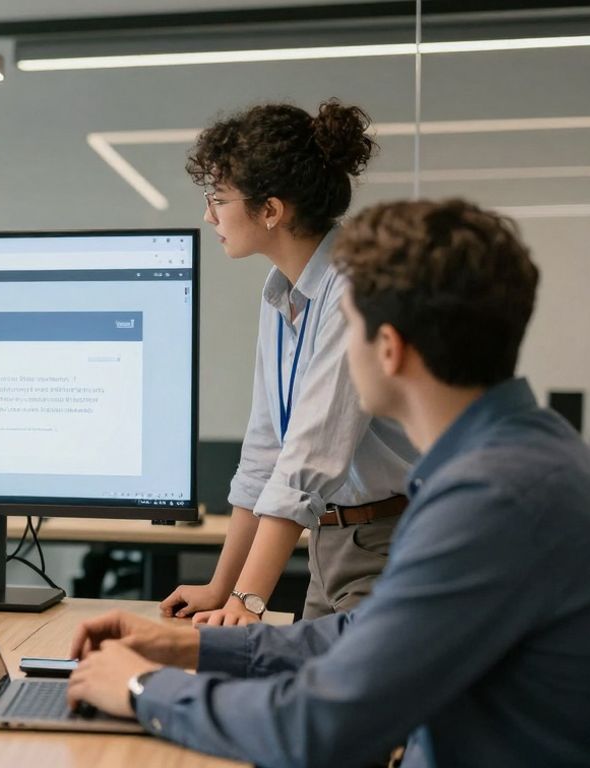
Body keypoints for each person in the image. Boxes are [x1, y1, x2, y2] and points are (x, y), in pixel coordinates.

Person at [66, 199, 590, 767]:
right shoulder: (514, 461)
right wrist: (188, 644)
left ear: (388, 349)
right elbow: (365, 636)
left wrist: (143, 689)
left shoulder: (494, 500)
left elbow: (317, 725)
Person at [162, 100, 418, 626]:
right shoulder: (283, 293)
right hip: (329, 539)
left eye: (219, 200)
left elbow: (310, 458)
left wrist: (248, 602)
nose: (209, 215)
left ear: (271, 211)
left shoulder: (353, 288)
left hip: (389, 544)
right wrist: (223, 586)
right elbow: (266, 450)